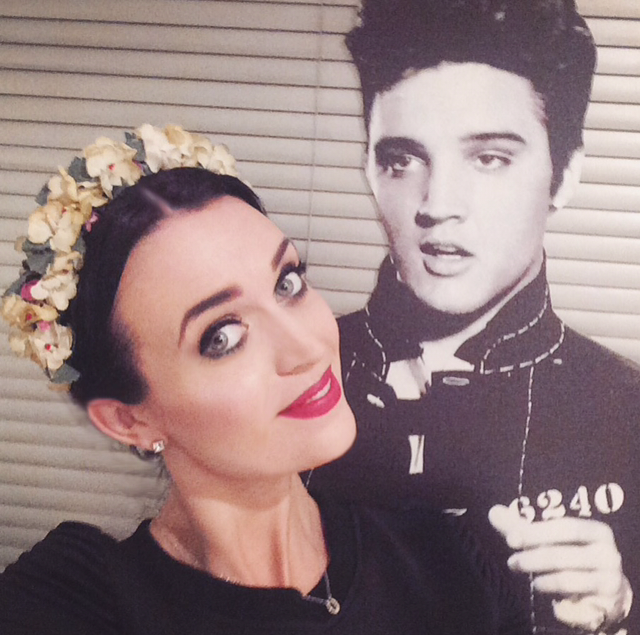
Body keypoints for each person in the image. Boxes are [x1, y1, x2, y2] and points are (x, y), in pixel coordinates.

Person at [0, 125, 528, 634]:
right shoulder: (76, 604)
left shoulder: (448, 564)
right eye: (222, 336)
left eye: (288, 284)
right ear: (128, 420)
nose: (306, 347)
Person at [306, 1, 640, 633]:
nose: (437, 204)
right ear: (369, 166)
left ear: (565, 175)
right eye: (402, 159)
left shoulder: (629, 408)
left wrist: (621, 614)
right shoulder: (294, 377)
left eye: (488, 158)